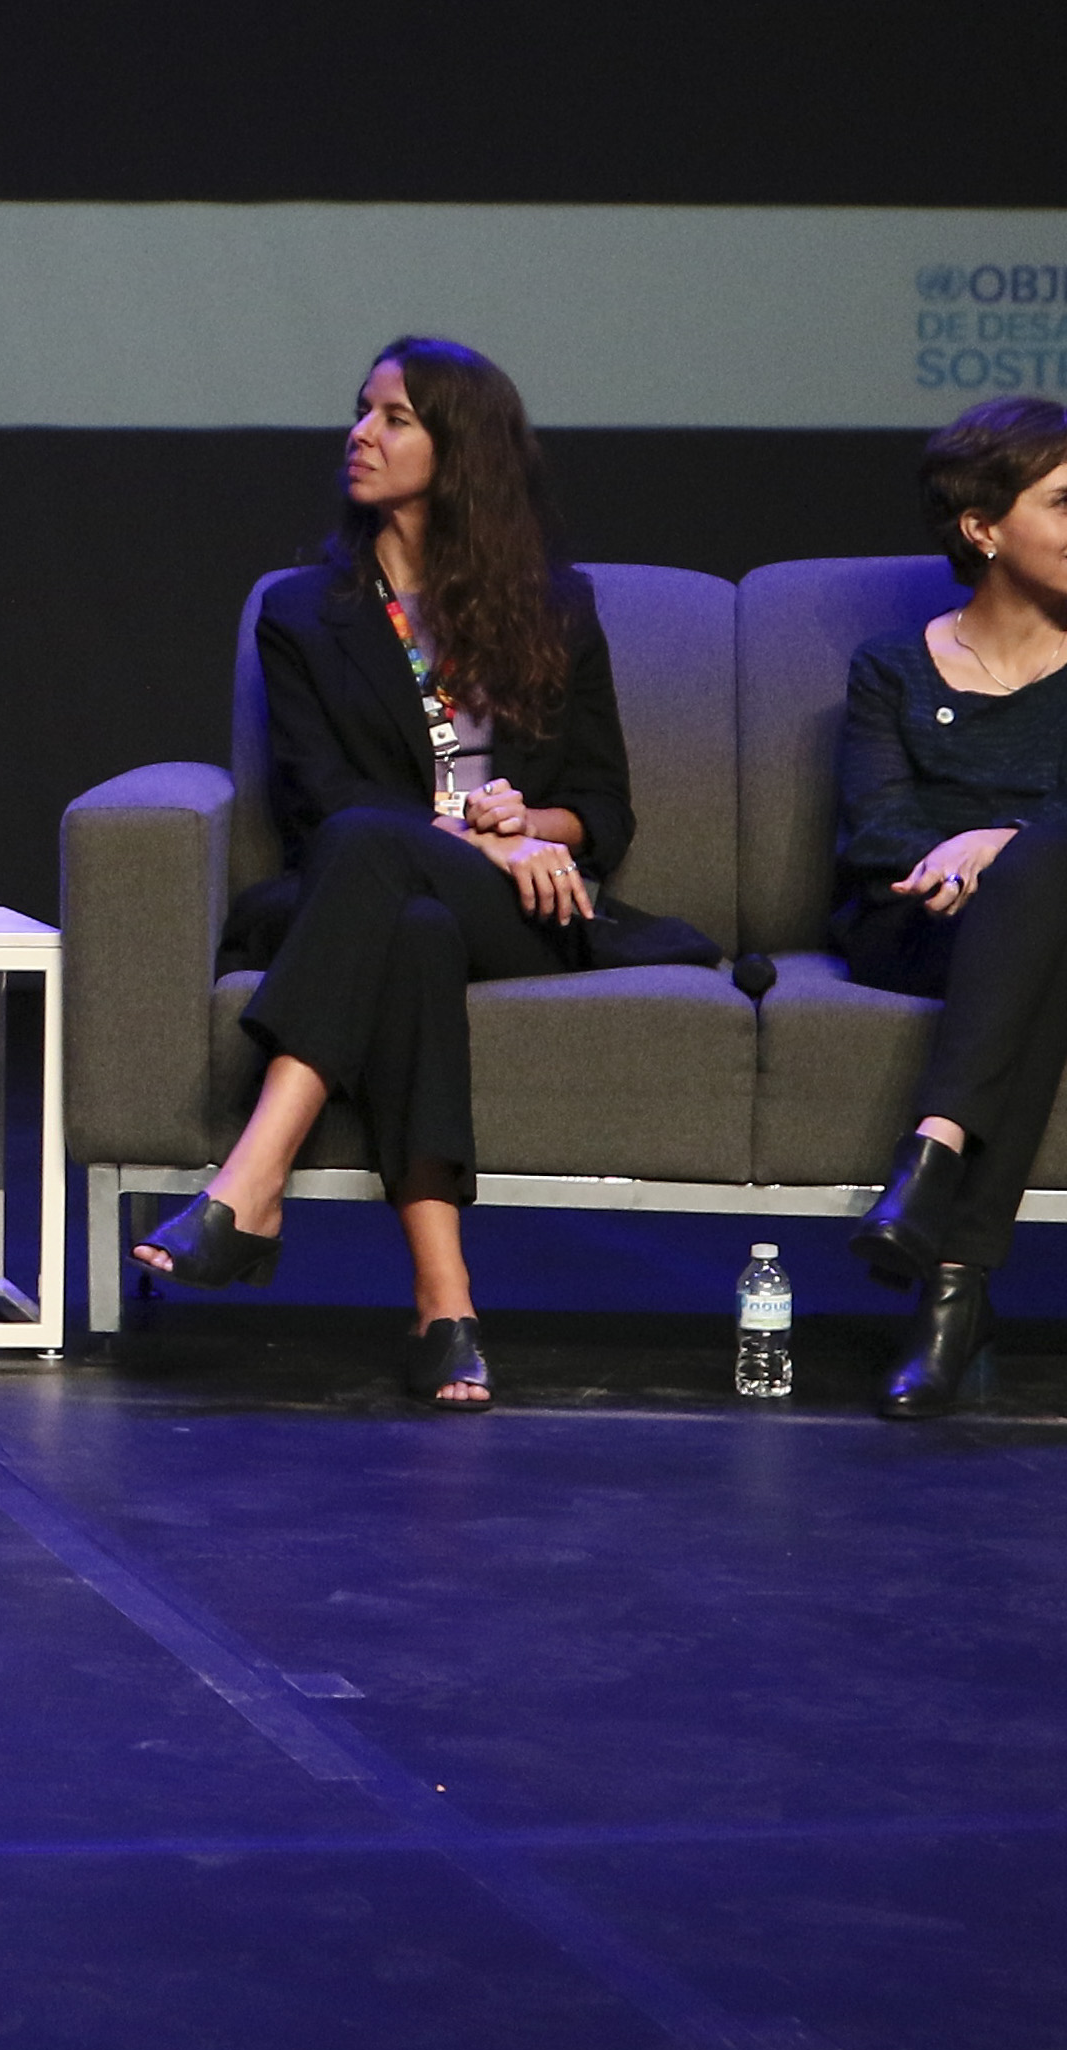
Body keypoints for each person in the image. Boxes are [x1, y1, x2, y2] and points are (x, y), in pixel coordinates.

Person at [130, 340, 713, 1408]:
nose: (362, 433)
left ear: (462, 450)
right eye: (363, 411)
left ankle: (252, 1183)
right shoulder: (303, 611)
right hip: (372, 884)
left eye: (395, 417)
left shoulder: (556, 607)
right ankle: (446, 1303)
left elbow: (605, 806)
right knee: (408, 924)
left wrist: (528, 826)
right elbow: (320, 801)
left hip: (521, 903)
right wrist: (467, 837)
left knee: (391, 866)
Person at [827, 400, 1067, 1417]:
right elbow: (880, 834)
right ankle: (956, 1291)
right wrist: (1035, 839)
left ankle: (932, 1150)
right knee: (1051, 942)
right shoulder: (891, 667)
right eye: (1065, 500)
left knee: (1056, 863)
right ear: (982, 527)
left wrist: (991, 839)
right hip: (926, 925)